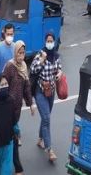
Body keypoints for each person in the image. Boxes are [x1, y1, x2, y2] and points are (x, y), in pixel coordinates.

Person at [3, 41, 35, 175]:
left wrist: (31, 103)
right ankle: (17, 167)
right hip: (7, 109)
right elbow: (3, 85)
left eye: (23, 53)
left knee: (11, 136)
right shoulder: (10, 66)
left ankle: (12, 165)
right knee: (12, 136)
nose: (21, 56)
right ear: (15, 52)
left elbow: (27, 88)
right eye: (19, 53)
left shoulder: (23, 67)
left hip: (17, 110)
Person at [30, 32, 62, 162]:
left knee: (45, 117)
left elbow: (59, 68)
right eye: (47, 41)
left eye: (51, 41)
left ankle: (40, 139)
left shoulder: (56, 56)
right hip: (40, 91)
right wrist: (42, 60)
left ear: (54, 42)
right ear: (45, 42)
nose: (49, 43)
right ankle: (49, 149)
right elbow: (33, 69)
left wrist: (60, 72)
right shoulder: (40, 54)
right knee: (47, 118)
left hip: (51, 92)